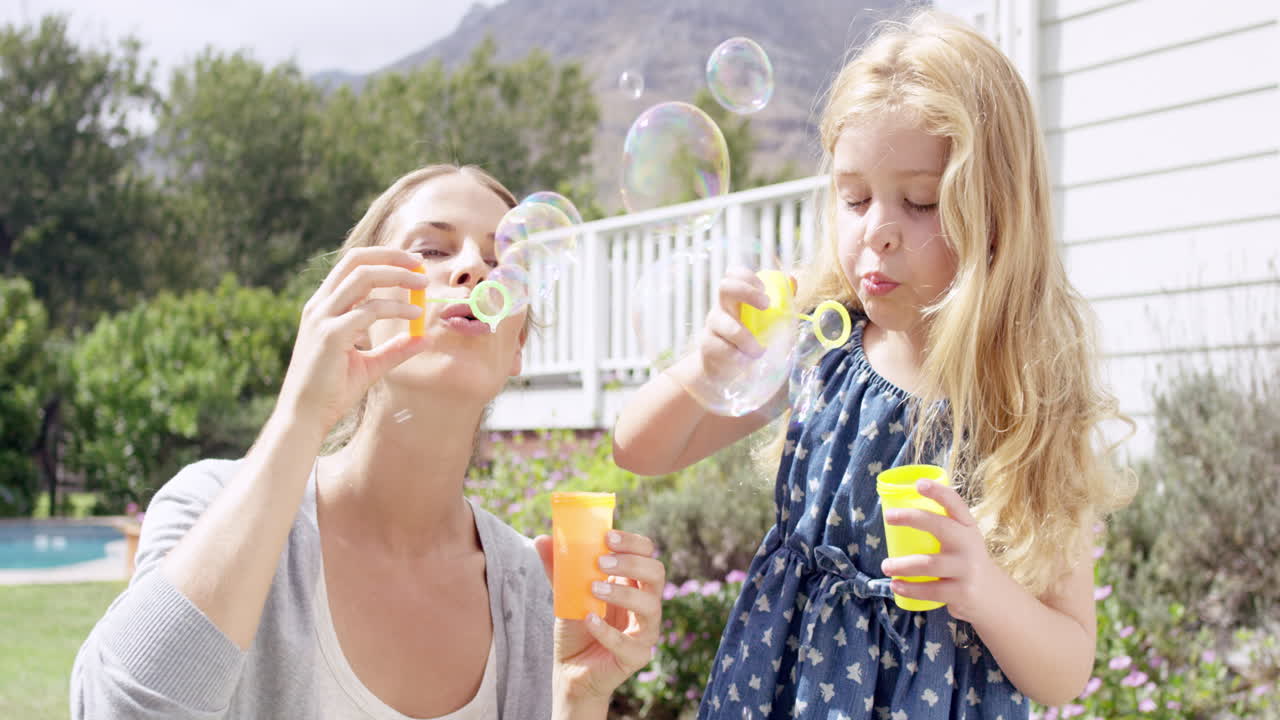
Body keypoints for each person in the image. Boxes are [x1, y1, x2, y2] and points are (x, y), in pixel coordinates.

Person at [613, 10, 1134, 719]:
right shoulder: (817, 346)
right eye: (853, 197)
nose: (876, 232)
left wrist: (982, 587)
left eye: (919, 201)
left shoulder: (1026, 402)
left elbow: (1066, 668)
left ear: (997, 215)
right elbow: (638, 448)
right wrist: (705, 369)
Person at [72, 164, 666, 720]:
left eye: (504, 262)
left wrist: (578, 698)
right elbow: (118, 708)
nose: (473, 269)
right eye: (431, 249)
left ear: (517, 348)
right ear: (355, 305)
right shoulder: (212, 506)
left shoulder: (524, 586)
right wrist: (302, 412)